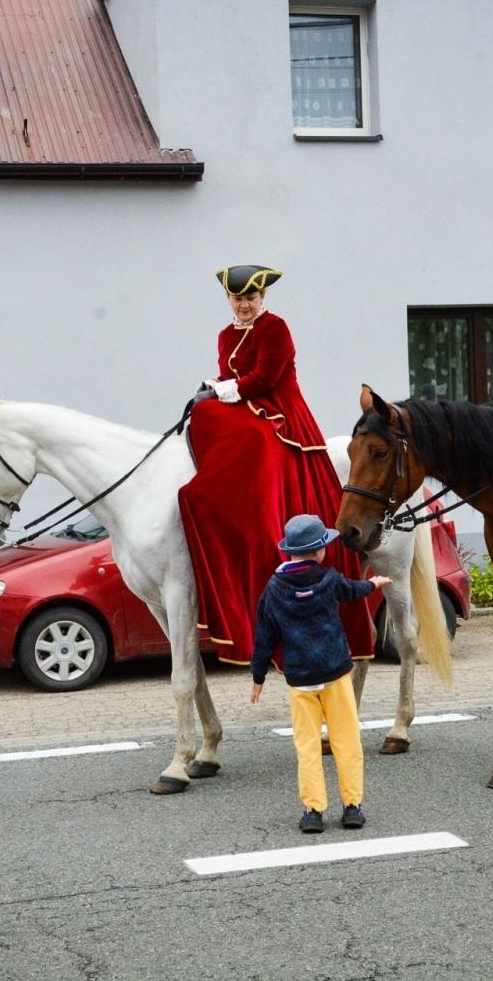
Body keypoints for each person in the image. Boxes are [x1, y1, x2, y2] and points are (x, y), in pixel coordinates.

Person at [177, 264, 376, 668]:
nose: (244, 304)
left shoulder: (277, 329)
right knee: (206, 418)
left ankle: (265, 510)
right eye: (238, 299)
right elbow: (228, 373)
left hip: (280, 412)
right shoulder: (225, 334)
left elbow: (264, 377)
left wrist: (220, 390)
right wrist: (213, 390)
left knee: (248, 436)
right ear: (229, 300)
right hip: (248, 407)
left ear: (262, 299)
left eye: (251, 298)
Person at [251, 514, 390, 833]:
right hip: (336, 673)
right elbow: (354, 591)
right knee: (346, 741)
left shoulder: (274, 588)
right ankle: (352, 807)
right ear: (318, 552)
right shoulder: (329, 579)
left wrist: (258, 677)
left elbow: (264, 637)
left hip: (299, 679)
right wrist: (374, 584)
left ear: (290, 552)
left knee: (307, 746)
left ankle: (313, 811)